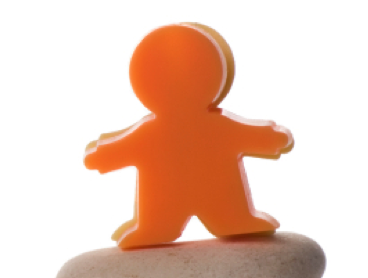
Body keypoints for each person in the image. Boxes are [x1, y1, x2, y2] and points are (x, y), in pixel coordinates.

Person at [84, 23, 293, 249]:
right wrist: (103, 156)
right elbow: (124, 148)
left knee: (227, 216)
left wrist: (269, 139)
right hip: (167, 201)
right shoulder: (152, 132)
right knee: (160, 222)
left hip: (216, 195)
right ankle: (154, 230)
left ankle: (234, 222)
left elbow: (245, 134)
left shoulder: (215, 125)